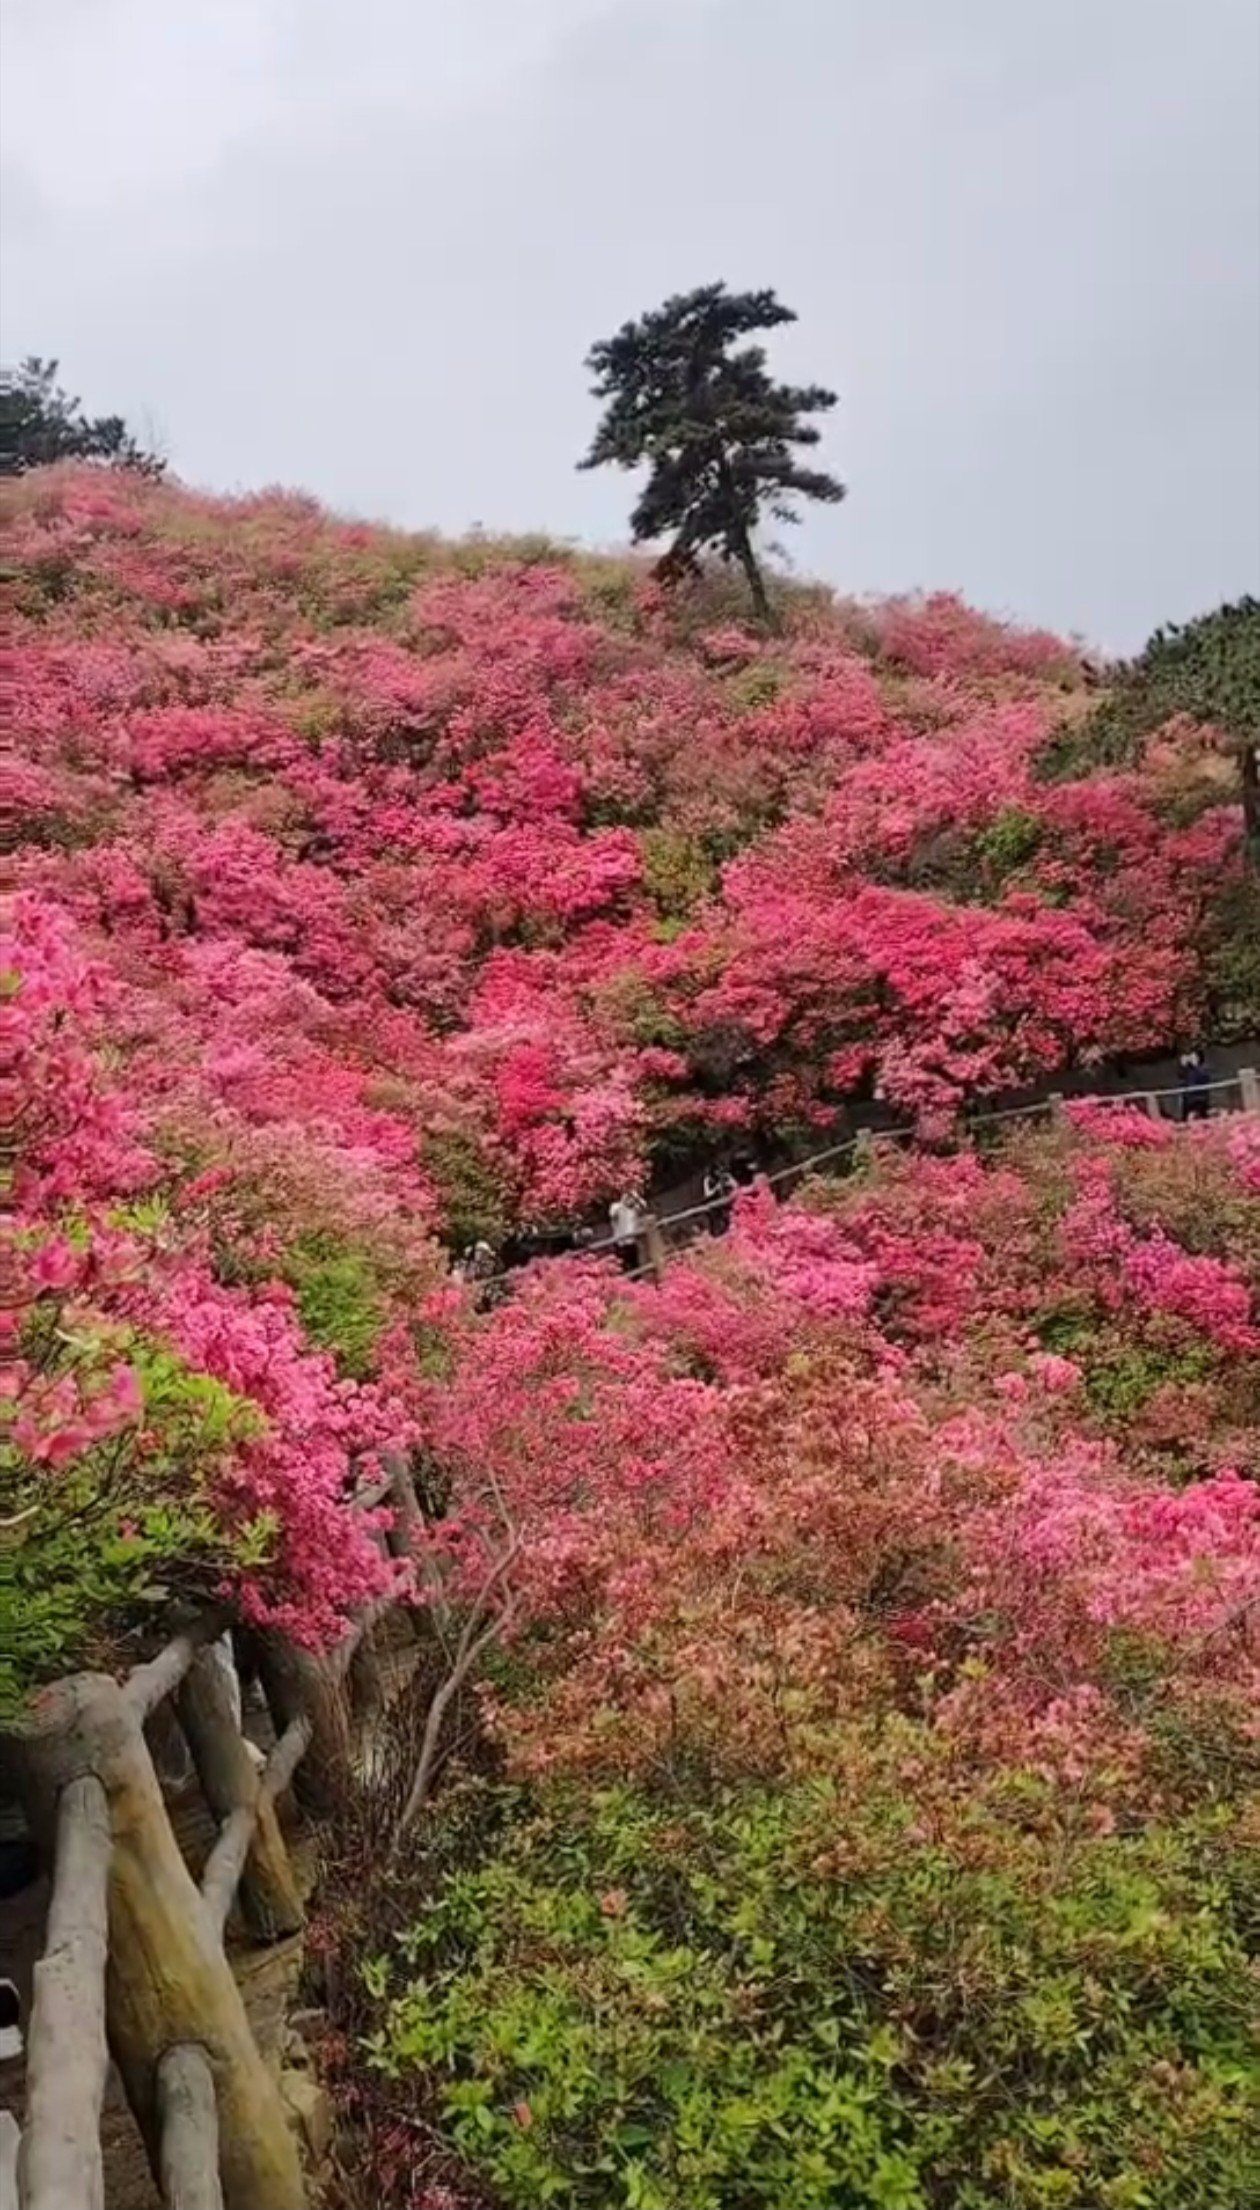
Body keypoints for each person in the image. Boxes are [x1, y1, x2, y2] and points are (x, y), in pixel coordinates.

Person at [608, 1190, 645, 1273]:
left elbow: (644, 1206)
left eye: (631, 1198)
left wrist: (637, 1197)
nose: (630, 1200)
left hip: (632, 1242)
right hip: (620, 1243)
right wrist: (623, 1202)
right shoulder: (616, 1206)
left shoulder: (635, 1208)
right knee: (623, 1267)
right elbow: (612, 1214)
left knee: (635, 1265)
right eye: (628, 1197)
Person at [702, 1161, 736, 1237]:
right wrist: (716, 1188)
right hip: (712, 1201)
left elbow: (735, 1185)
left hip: (723, 1198)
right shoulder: (707, 1180)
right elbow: (707, 1194)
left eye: (720, 1171)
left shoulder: (724, 1176)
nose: (719, 1173)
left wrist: (728, 1181)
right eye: (717, 1171)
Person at [1179, 1049, 1211, 1122]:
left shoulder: (1203, 1068)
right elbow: (1181, 1077)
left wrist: (1196, 1066)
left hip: (1200, 1098)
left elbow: (1204, 1077)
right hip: (1188, 1099)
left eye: (1193, 1057)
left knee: (1200, 1117)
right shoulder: (1188, 1070)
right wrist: (1183, 1066)